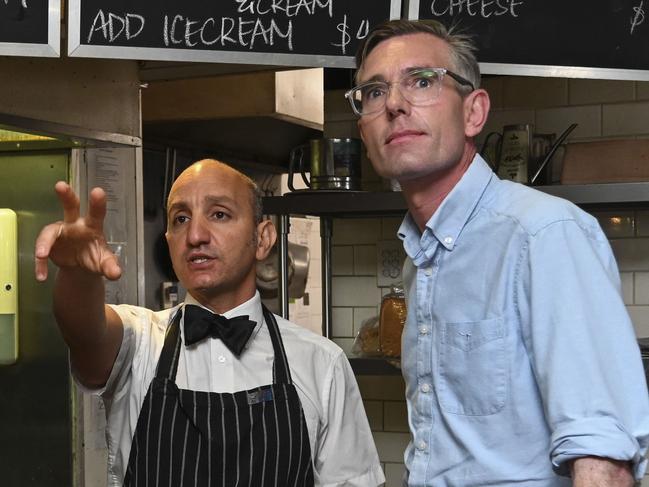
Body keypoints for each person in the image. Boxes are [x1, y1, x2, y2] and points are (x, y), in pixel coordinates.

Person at [346, 19, 649, 486]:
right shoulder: (420, 257)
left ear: (474, 113)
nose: (395, 105)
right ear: (364, 132)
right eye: (373, 92)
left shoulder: (542, 234)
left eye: (422, 81)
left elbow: (602, 458)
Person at [34, 159, 384, 487]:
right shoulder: (139, 341)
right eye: (180, 219)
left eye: (219, 214)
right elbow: (83, 331)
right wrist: (77, 274)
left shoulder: (322, 364)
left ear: (263, 239)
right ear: (168, 241)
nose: (196, 235)